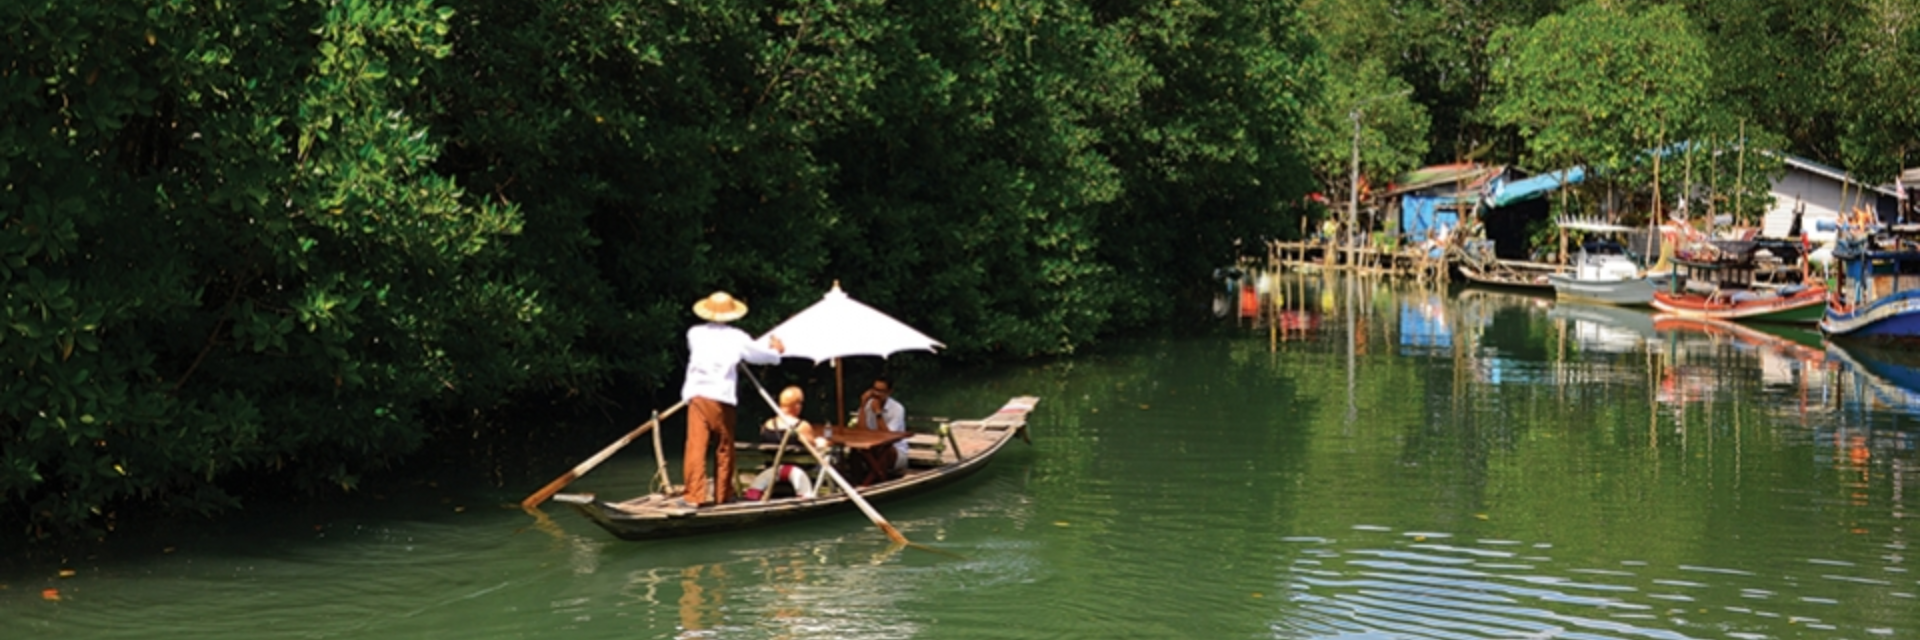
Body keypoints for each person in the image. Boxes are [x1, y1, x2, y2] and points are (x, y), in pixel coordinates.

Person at [680, 291, 783, 506]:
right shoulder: (737, 337)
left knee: (695, 446)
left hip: (697, 396)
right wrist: (776, 352)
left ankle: (694, 496)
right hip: (720, 398)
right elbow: (759, 355)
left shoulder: (694, 333)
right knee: (724, 448)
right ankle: (722, 495)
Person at [744, 386, 817, 501]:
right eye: (800, 403)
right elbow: (813, 449)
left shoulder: (767, 425)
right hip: (800, 470)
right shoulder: (802, 426)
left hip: (772, 468)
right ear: (796, 405)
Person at [856, 375, 908, 478]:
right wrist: (862, 406)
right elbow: (860, 432)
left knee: (884, 449)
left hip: (895, 451)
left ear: (889, 392)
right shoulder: (868, 405)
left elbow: (887, 438)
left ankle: (879, 480)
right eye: (874, 389)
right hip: (871, 447)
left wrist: (878, 413)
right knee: (856, 450)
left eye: (881, 391)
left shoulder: (897, 409)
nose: (876, 394)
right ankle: (856, 482)